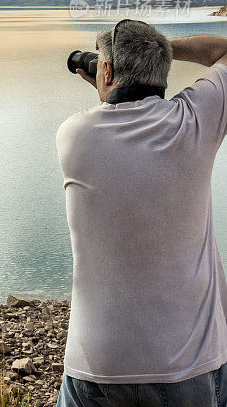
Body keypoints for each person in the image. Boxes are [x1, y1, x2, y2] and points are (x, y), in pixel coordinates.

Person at [56, 20, 227, 407]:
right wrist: (160, 48)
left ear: (106, 71)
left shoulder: (74, 135)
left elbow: (115, 114)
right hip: (184, 367)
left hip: (93, 367)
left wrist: (109, 79)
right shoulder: (194, 123)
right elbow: (223, 52)